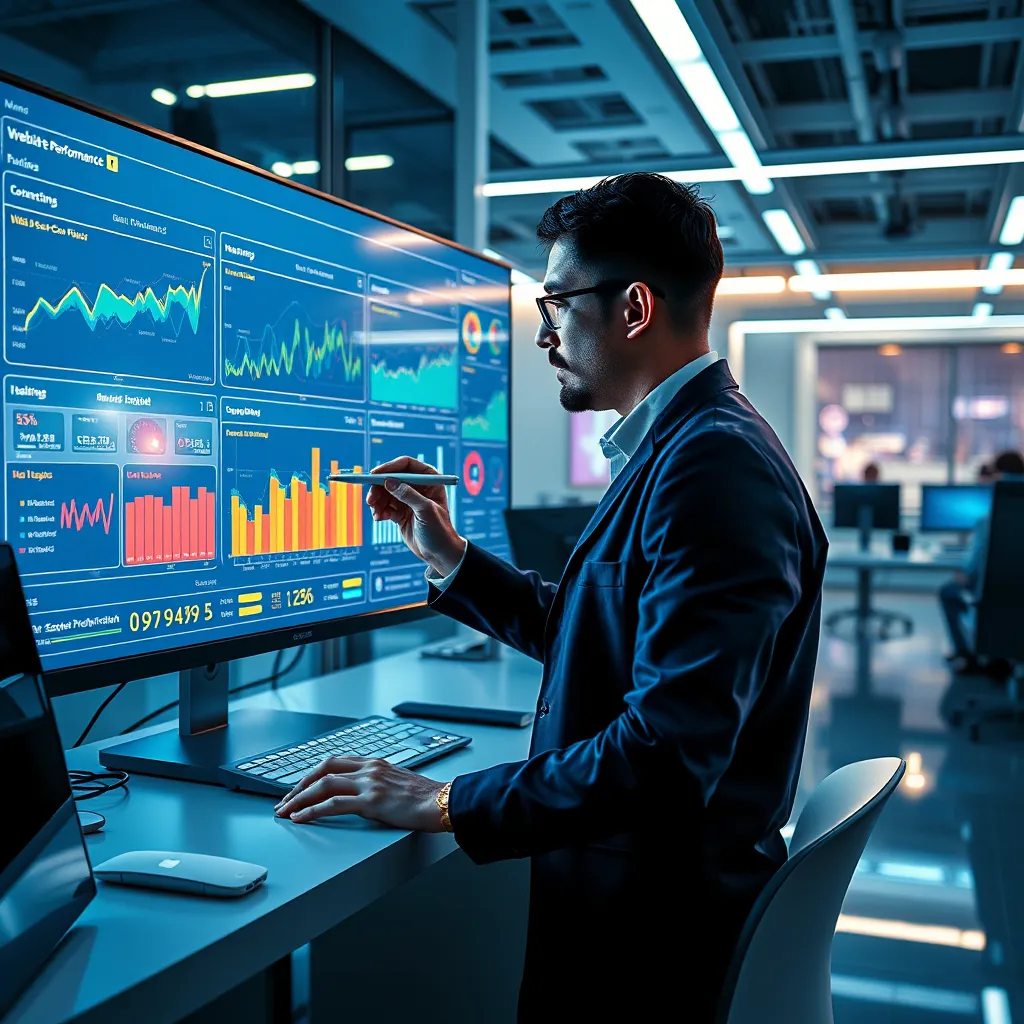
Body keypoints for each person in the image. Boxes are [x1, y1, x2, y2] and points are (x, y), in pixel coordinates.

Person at [274, 173, 829, 1020]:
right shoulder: (685, 447)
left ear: (633, 308)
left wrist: (442, 799)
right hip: (641, 910)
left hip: (649, 948)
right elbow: (604, 632)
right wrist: (453, 558)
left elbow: (668, 758)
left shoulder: (715, 468)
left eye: (556, 304)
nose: (543, 335)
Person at [939, 449, 1024, 673]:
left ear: (998, 477)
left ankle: (968, 657)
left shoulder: (990, 523)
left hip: (996, 601)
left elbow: (968, 575)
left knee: (949, 590)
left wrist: (963, 575)